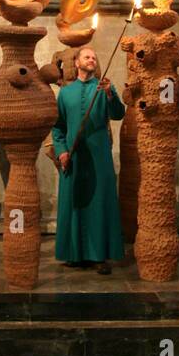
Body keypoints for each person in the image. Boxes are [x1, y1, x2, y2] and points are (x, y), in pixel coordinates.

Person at [52, 46, 126, 275]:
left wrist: (110, 94)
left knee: (98, 203)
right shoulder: (65, 93)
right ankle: (74, 254)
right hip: (74, 158)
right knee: (73, 202)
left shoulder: (103, 88)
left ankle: (98, 255)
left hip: (99, 156)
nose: (92, 59)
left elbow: (118, 114)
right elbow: (58, 128)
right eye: (87, 57)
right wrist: (62, 151)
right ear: (77, 62)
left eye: (94, 57)